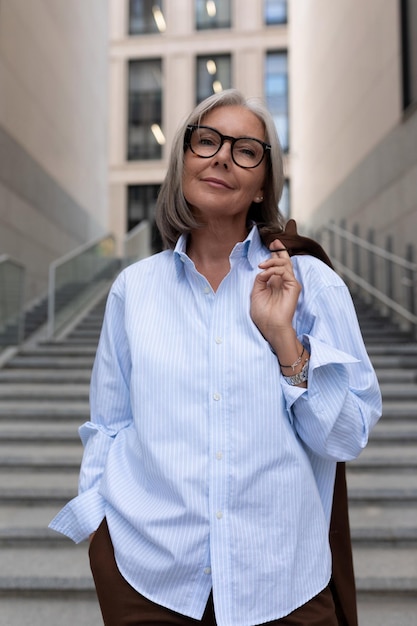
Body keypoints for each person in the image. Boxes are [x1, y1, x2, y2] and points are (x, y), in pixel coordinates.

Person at [49, 89, 382, 626]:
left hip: (283, 586)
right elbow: (109, 425)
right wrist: (99, 530)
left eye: (246, 149)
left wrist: (286, 345)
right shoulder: (134, 290)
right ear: (183, 160)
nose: (222, 157)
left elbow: (347, 437)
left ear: (263, 184)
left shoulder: (311, 285)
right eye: (206, 141)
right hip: (147, 582)